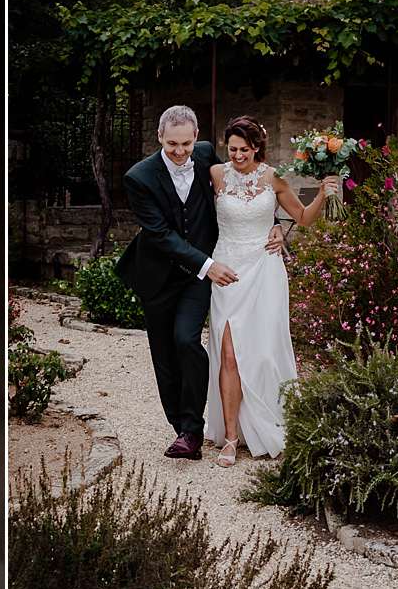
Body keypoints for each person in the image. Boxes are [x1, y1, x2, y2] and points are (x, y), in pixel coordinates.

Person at [115, 105, 282, 460]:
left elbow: (245, 184)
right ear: (159, 137)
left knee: (186, 340)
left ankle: (191, 432)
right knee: (164, 356)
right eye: (172, 143)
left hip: (198, 276)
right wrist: (208, 264)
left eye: (186, 144)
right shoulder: (138, 177)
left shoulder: (206, 154)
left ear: (196, 139)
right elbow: (159, 235)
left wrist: (276, 221)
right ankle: (181, 426)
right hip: (159, 275)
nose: (180, 151)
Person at [201, 117, 336, 466]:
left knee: (262, 352)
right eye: (232, 149)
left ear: (256, 147)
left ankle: (266, 420)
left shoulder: (274, 177)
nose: (237, 155)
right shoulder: (215, 174)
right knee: (228, 352)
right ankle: (231, 437)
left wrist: (321, 194)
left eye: (244, 150)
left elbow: (303, 218)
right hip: (227, 270)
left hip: (264, 270)